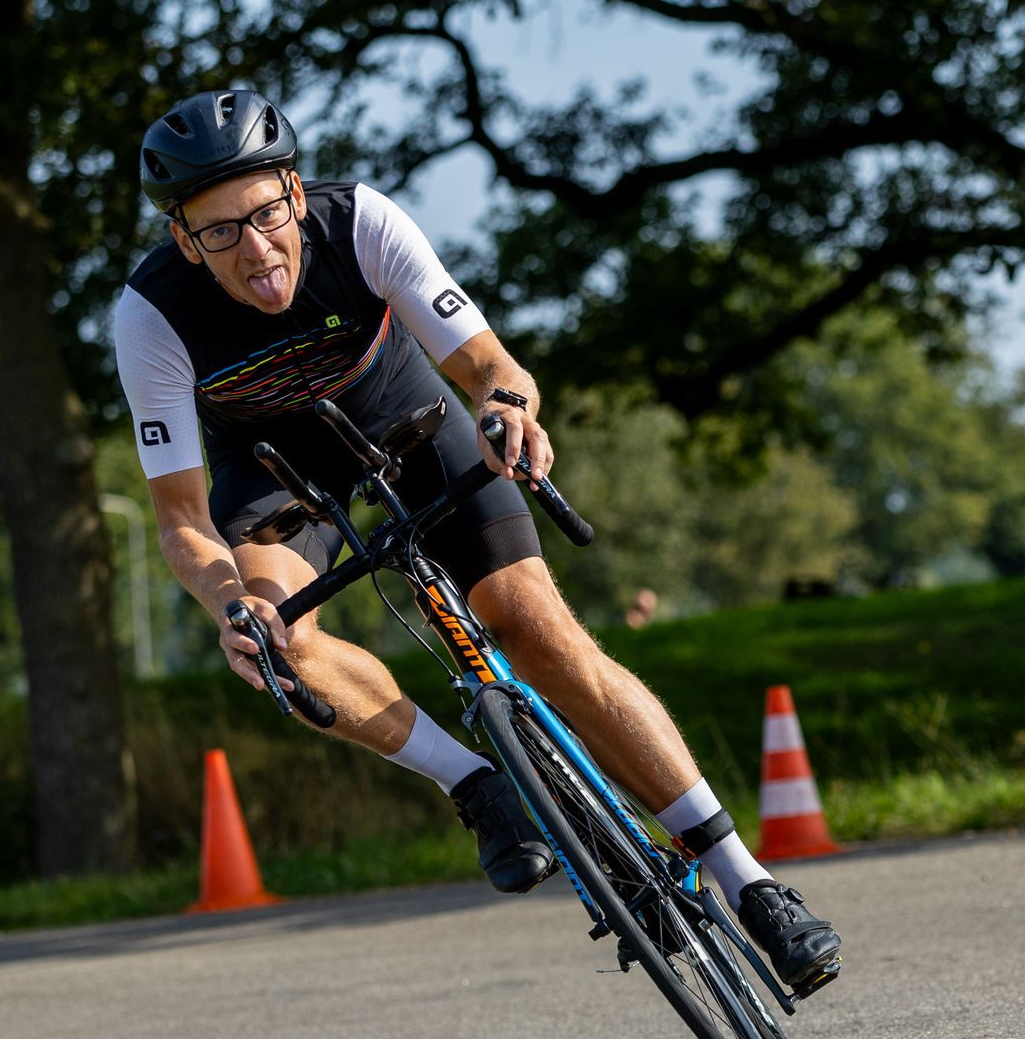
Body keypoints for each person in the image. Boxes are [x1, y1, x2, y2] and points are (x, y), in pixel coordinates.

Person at [115, 90, 841, 991]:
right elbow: (185, 522)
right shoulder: (150, 315)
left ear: (296, 195)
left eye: (266, 214)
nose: (255, 248)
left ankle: (751, 883)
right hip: (272, 469)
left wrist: (509, 410)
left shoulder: (363, 223)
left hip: (405, 414)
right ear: (185, 240)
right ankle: (475, 783)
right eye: (220, 232)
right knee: (280, 640)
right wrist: (232, 603)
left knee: (534, 625)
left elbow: (492, 366)